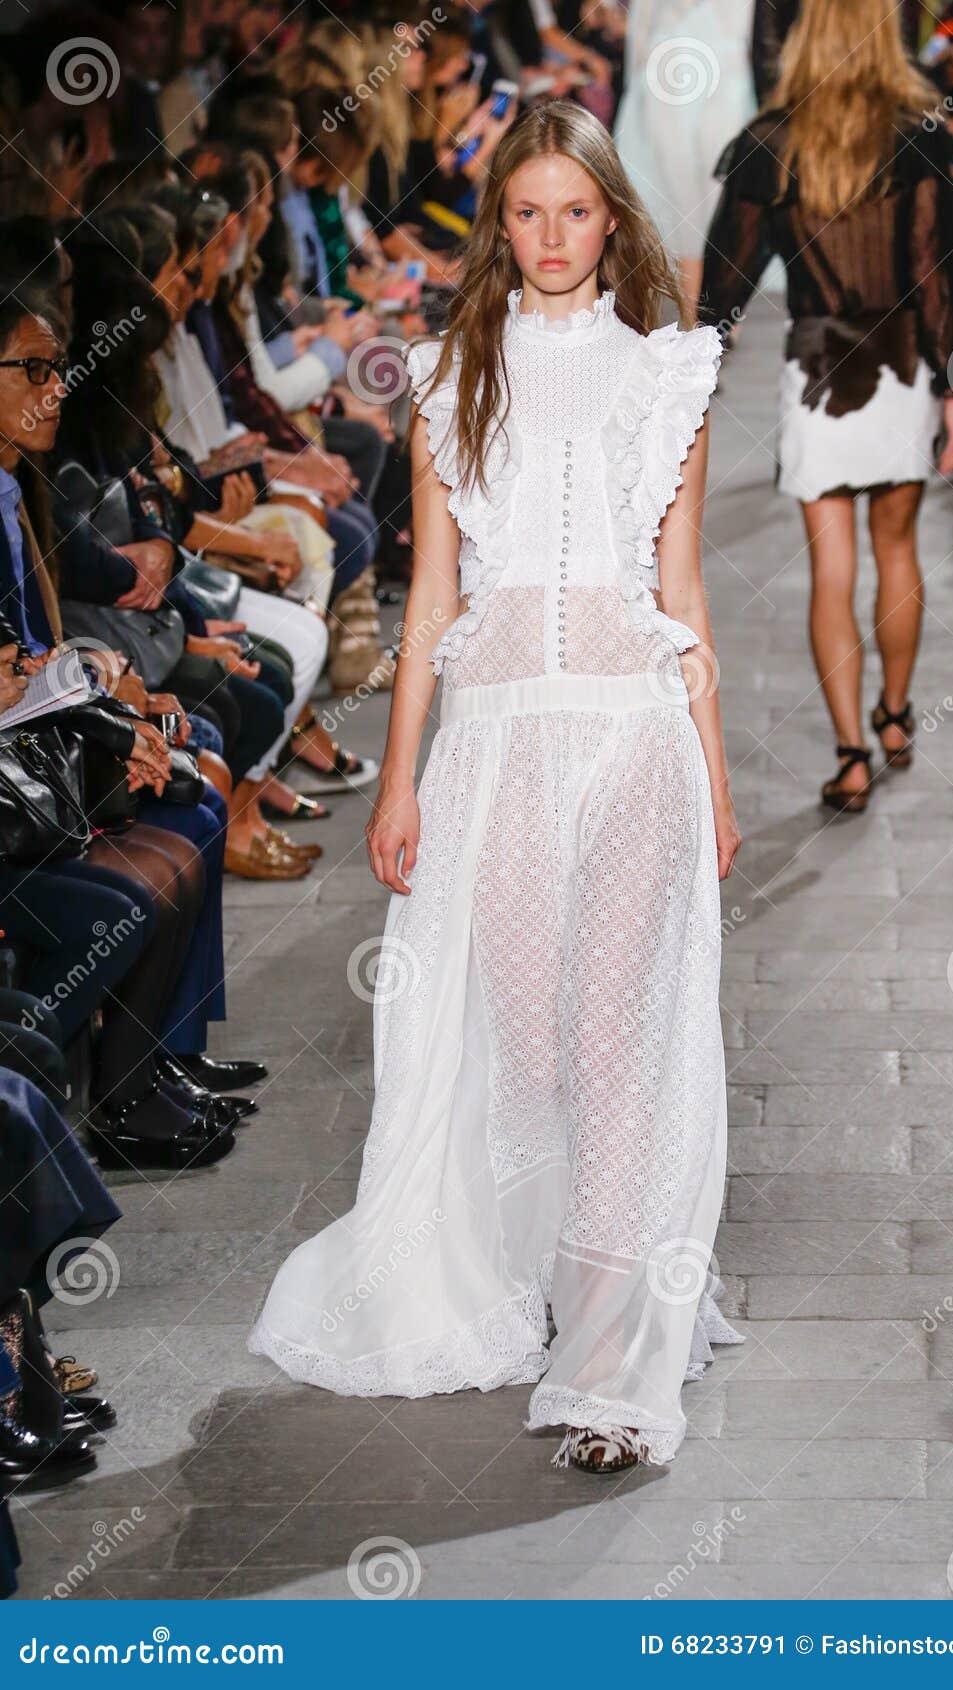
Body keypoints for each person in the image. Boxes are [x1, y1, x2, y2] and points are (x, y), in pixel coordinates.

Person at [250, 100, 744, 1475]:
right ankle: (536, 1279)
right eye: (524, 212)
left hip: (630, 732)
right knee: (523, 1048)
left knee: (616, 1047)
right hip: (496, 744)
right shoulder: (447, 379)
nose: (548, 237)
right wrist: (396, 781)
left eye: (572, 211)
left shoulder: (668, 377)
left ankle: (604, 1370)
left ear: (609, 217)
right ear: (497, 224)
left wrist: (710, 773)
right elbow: (426, 606)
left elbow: (683, 589)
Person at [701, 0, 953, 813]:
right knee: (897, 547)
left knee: (831, 566)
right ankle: (894, 717)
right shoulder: (918, 135)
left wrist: (683, 376)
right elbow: (936, 276)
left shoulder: (766, 146)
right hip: (901, 371)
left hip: (817, 372)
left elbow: (725, 282)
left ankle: (849, 752)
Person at [614, 0, 757, 314]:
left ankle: (722, 313)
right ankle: (696, 314)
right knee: (682, 196)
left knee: (720, 192)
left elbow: (750, 26)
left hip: (722, 80)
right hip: (668, 78)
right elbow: (642, 22)